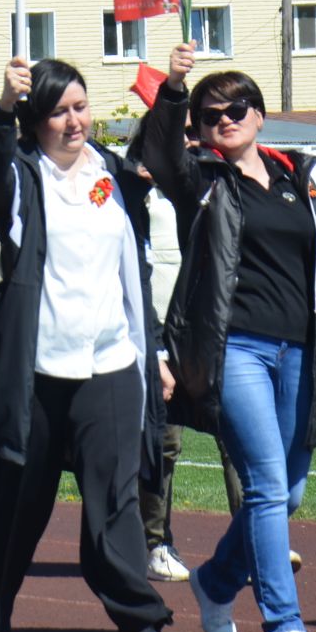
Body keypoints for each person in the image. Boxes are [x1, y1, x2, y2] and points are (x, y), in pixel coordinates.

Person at [141, 44, 316, 632]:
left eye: (237, 107)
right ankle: (283, 625)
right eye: (211, 113)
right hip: (235, 351)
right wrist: (175, 89)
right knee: (265, 485)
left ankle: (216, 583)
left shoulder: (296, 181)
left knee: (289, 490)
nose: (225, 118)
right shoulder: (198, 181)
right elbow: (161, 152)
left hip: (300, 353)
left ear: (259, 113)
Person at [0, 58, 188, 632]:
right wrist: (2, 110)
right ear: (36, 122)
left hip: (110, 364)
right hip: (37, 370)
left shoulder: (110, 172)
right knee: (15, 511)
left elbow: (134, 260)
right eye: (58, 111)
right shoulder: (22, 175)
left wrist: (153, 350)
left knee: (115, 504)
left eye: (81, 107)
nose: (74, 120)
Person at [129, 114, 193, 585]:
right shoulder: (129, 195)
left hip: (203, 333)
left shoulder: (205, 189)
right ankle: (154, 541)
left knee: (238, 439)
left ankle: (256, 535)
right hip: (153, 337)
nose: (186, 141)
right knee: (162, 442)